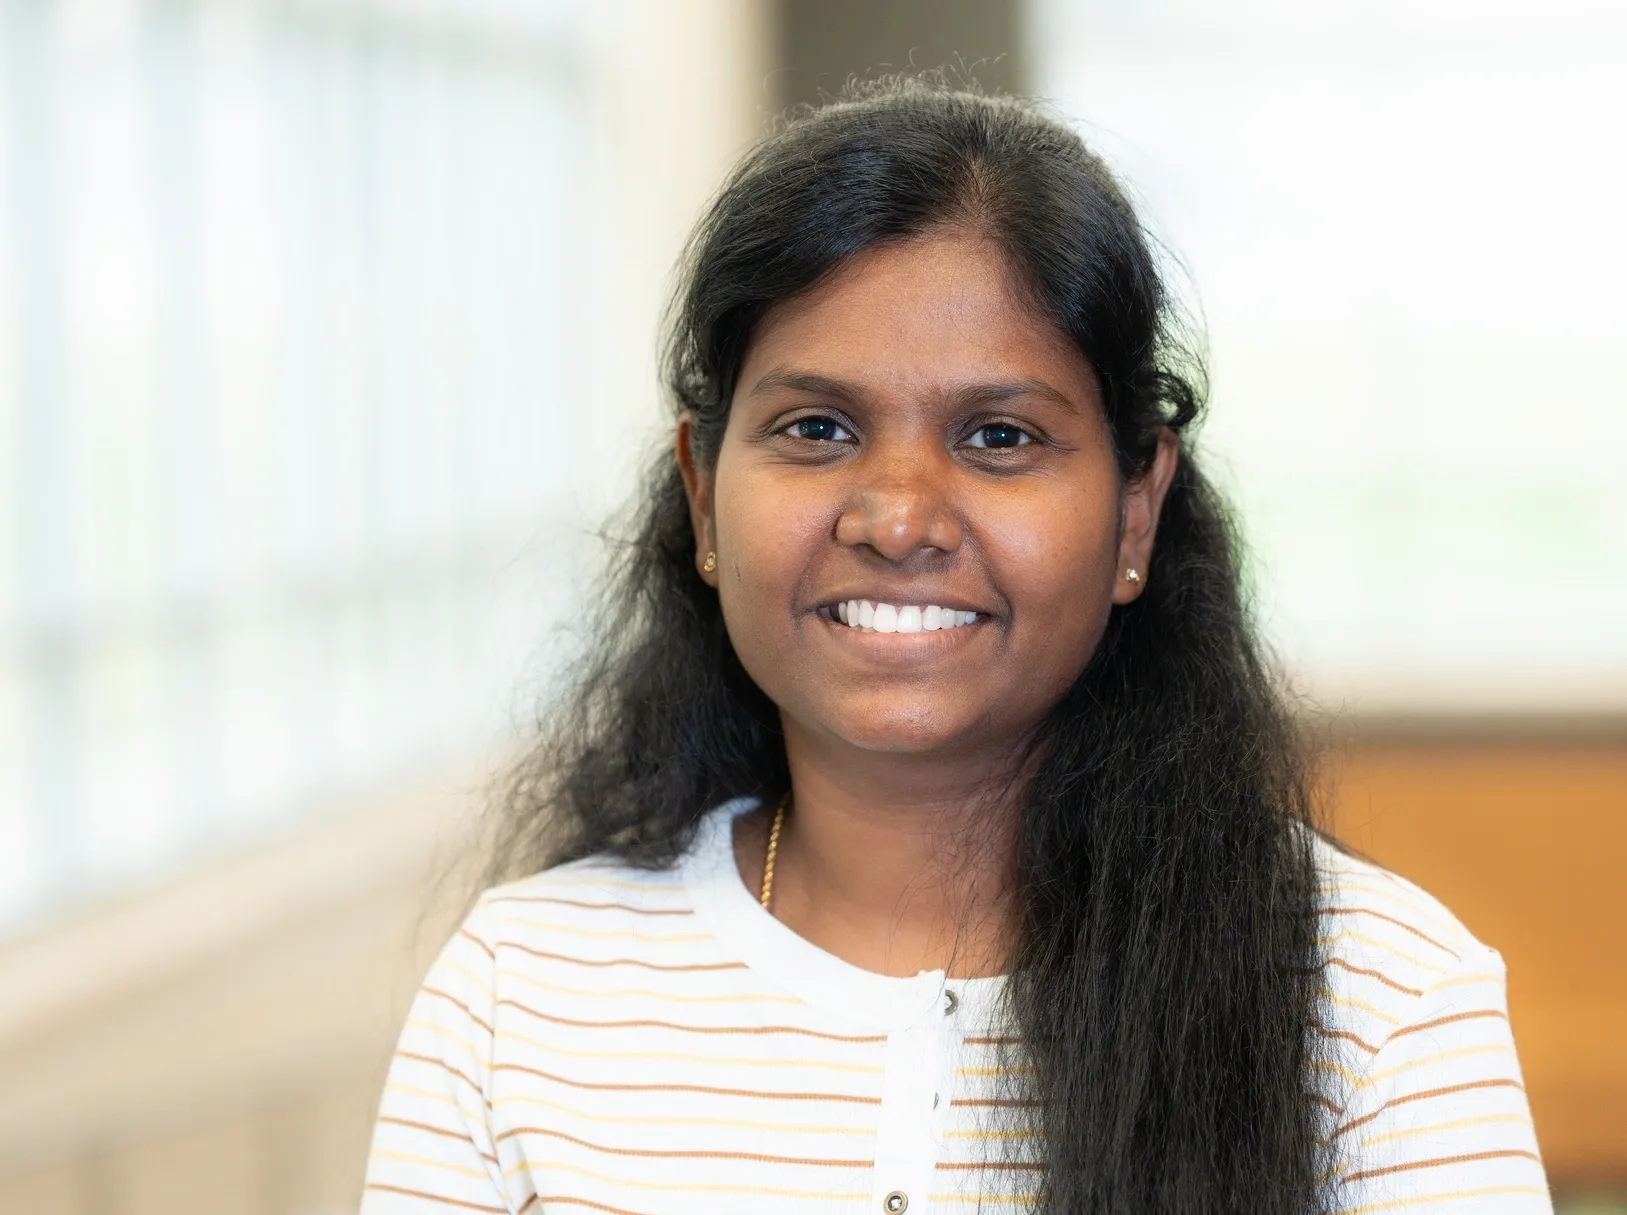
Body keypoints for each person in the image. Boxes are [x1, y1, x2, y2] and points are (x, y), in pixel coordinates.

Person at [359, 79, 1550, 1215]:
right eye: (816, 428)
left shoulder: (1376, 1006)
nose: (898, 519)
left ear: (1136, 513)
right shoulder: (519, 997)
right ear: (705, 499)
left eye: (998, 437)